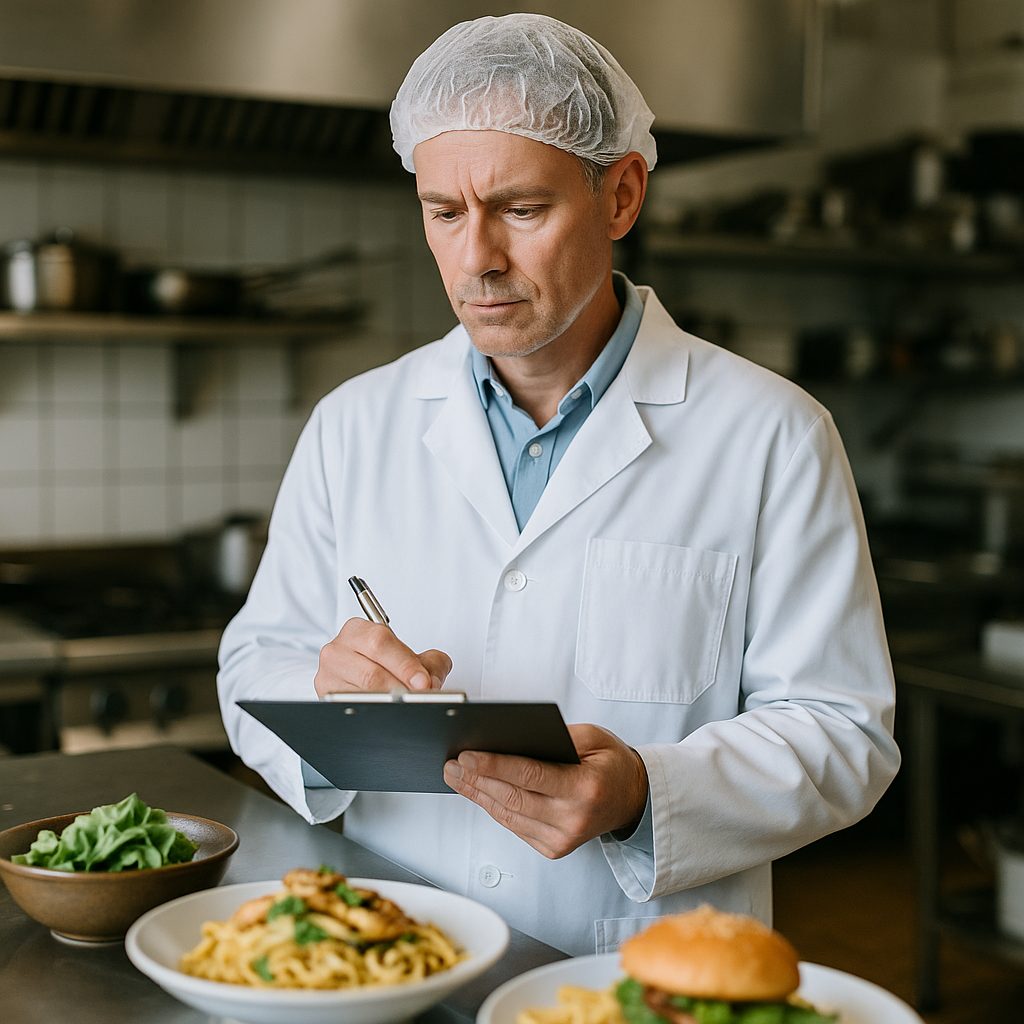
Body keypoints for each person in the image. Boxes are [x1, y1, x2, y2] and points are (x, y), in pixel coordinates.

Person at [218, 13, 899, 956]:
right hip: (393, 957)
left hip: (632, 970)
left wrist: (645, 794)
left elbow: (842, 733)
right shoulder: (354, 425)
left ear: (621, 196)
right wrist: (327, 701)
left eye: (522, 209)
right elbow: (256, 663)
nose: (476, 259)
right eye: (444, 213)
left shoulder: (773, 435)